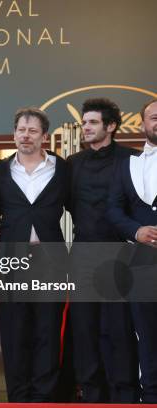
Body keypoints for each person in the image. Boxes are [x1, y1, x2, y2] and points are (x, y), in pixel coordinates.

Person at [0, 108, 68, 402]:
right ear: (14, 134)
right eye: (21, 130)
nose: (25, 135)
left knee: (48, 333)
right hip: (12, 262)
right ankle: (19, 398)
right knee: (14, 333)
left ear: (44, 136)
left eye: (32, 131)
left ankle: (44, 398)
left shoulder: (62, 169)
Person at [66, 98, 139, 402]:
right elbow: (68, 204)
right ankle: (90, 394)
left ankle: (124, 394)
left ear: (110, 126)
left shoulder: (132, 160)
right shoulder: (72, 164)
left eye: (93, 123)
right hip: (83, 252)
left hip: (120, 254)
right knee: (84, 329)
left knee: (119, 329)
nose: (86, 128)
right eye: (84, 123)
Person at [107, 99, 157, 403]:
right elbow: (113, 209)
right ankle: (151, 397)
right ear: (142, 125)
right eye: (153, 117)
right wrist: (135, 231)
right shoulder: (129, 164)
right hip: (142, 262)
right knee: (147, 334)